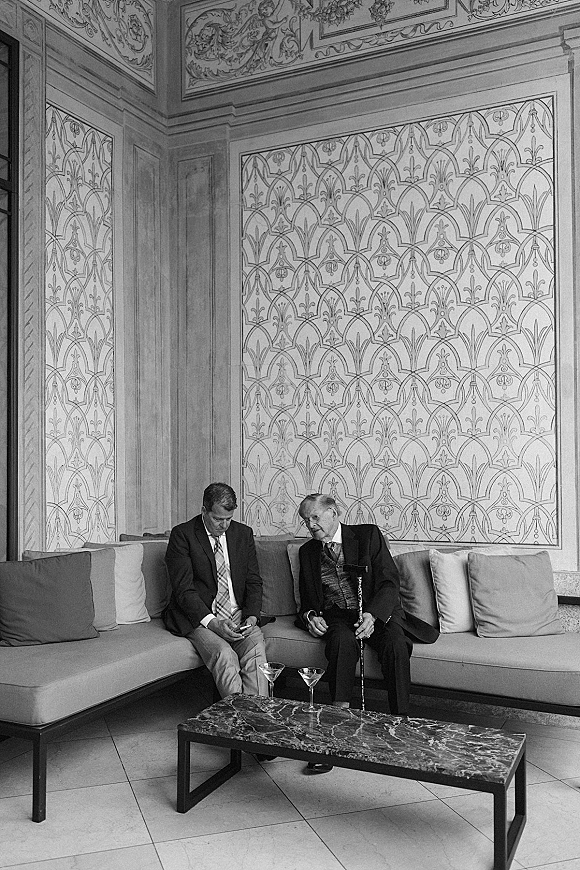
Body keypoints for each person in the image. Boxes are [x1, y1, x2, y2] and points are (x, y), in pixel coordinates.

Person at [297, 493, 439, 774]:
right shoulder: (307, 552)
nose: (310, 525)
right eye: (305, 520)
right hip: (337, 616)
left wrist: (373, 614)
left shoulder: (368, 536)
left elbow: (389, 582)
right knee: (340, 641)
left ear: (333, 512)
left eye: (314, 517)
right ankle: (337, 726)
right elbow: (308, 601)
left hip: (376, 611)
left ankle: (401, 724)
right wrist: (311, 617)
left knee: (396, 645)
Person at [164, 482, 269, 699]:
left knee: (256, 653)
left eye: (228, 519)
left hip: (238, 615)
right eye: (218, 519)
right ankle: (238, 722)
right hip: (199, 617)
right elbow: (184, 591)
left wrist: (251, 617)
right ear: (204, 510)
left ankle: (253, 721)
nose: (224, 525)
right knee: (224, 655)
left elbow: (253, 581)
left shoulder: (243, 534)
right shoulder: (182, 535)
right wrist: (213, 623)